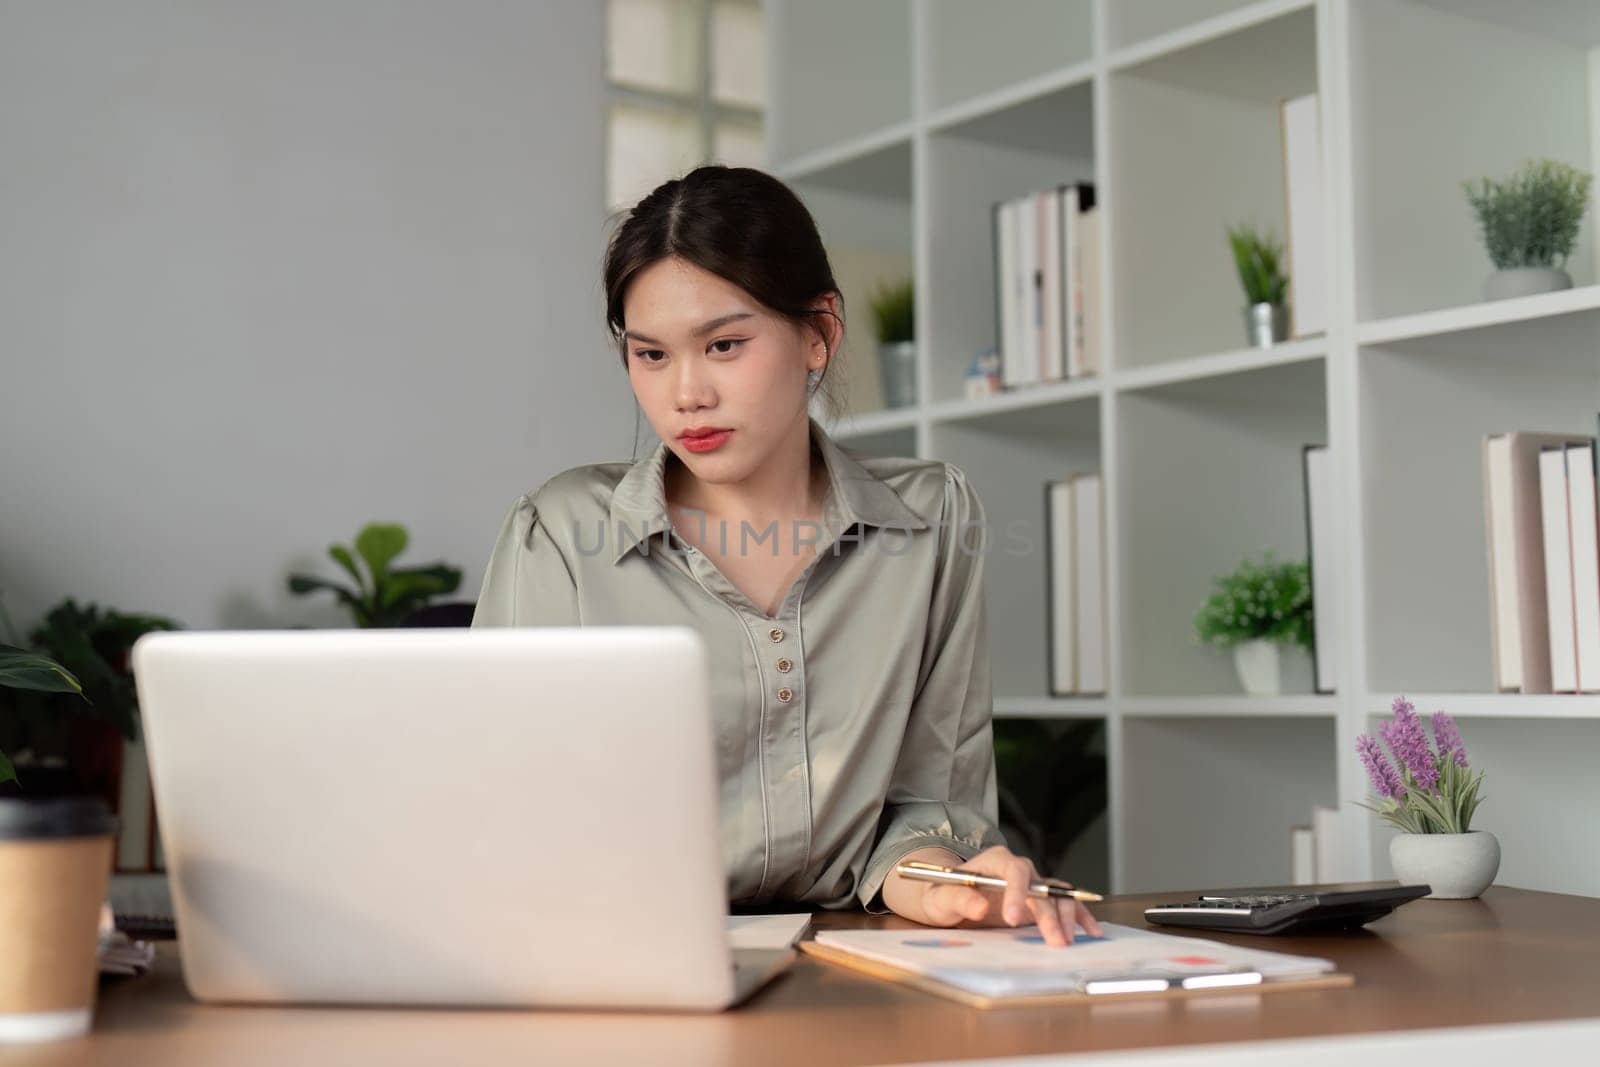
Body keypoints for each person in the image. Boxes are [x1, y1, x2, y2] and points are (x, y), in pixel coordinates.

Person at [471, 164, 1101, 947]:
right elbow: (504, 823)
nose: (686, 393)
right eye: (651, 355)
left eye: (724, 344)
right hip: (625, 956)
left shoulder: (930, 521)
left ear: (819, 333)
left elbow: (928, 804)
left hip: (852, 964)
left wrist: (949, 884)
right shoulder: (560, 536)